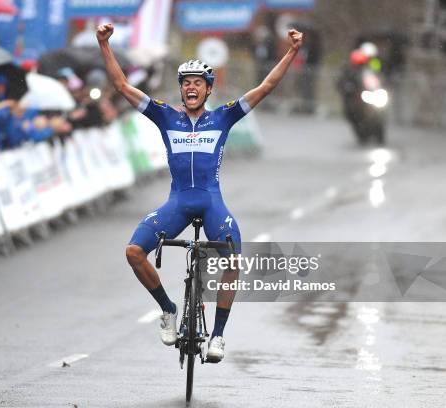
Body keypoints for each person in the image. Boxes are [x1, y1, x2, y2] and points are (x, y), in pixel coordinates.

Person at [97, 23, 303, 363]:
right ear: (181, 90)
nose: (191, 88)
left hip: (211, 202)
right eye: (186, 83)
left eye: (198, 83)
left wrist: (292, 51)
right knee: (134, 252)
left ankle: (218, 335)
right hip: (177, 202)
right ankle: (168, 308)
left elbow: (266, 86)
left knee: (234, 260)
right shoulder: (165, 117)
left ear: (208, 90)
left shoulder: (223, 117)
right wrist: (104, 43)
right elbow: (120, 85)